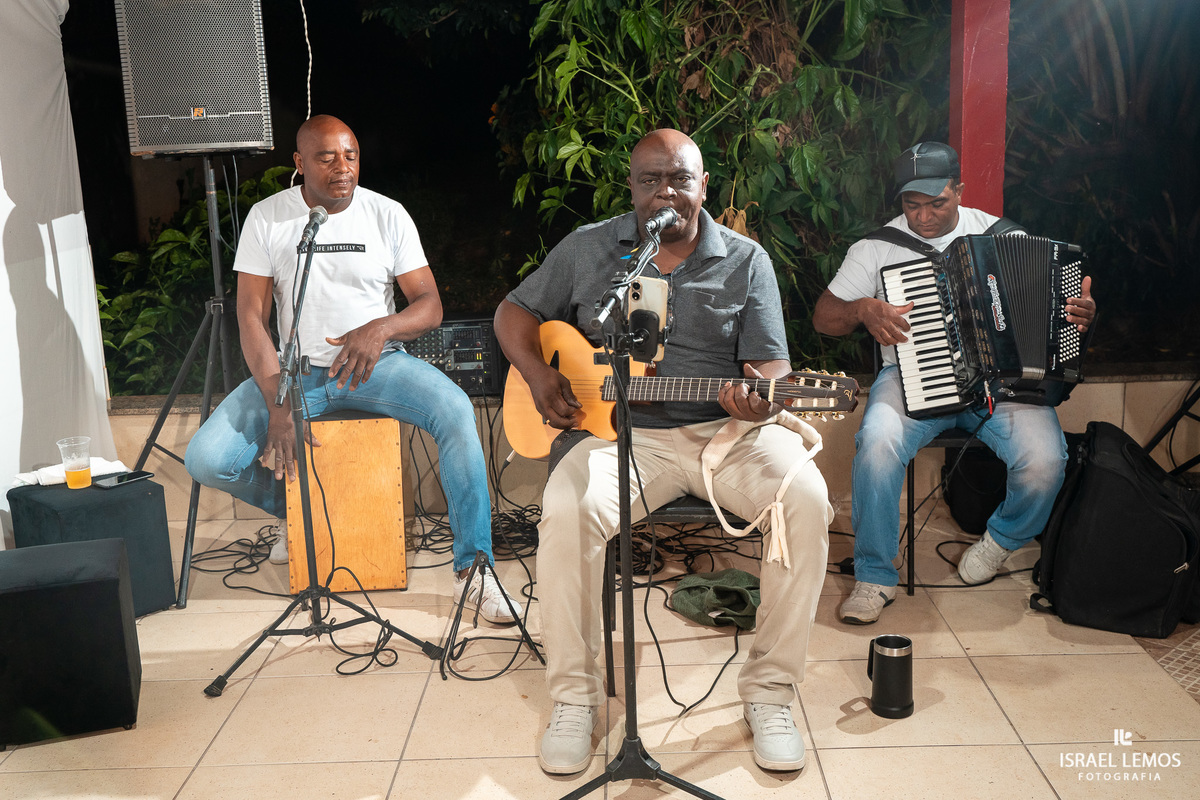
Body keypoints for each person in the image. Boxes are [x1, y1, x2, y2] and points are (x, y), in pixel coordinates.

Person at [494, 129, 832, 775]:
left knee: (807, 500)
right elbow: (514, 311)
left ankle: (770, 694)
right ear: (632, 187)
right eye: (650, 180)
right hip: (623, 437)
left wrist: (759, 401)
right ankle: (574, 698)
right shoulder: (592, 247)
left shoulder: (745, 259)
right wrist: (540, 376)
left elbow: (769, 367)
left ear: (704, 185)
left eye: (679, 178)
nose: (665, 192)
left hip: (728, 436)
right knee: (566, 512)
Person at [185, 115, 519, 625]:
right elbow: (250, 315)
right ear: (298, 163)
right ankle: (292, 514)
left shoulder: (387, 215)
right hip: (294, 375)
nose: (343, 168)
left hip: (377, 366)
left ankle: (474, 570)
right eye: (326, 157)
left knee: (454, 409)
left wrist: (380, 329)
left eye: (351, 155)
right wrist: (278, 400)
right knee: (207, 458)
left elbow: (428, 304)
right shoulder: (268, 218)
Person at [812, 141, 1096, 625]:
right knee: (878, 444)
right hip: (908, 374)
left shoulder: (1003, 237)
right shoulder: (876, 248)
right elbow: (823, 317)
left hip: (999, 386)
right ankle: (875, 575)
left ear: (959, 190)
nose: (922, 217)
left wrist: (1078, 315)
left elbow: (1053, 318)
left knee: (1046, 461)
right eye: (911, 204)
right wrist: (863, 309)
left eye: (936, 203)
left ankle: (1001, 540)